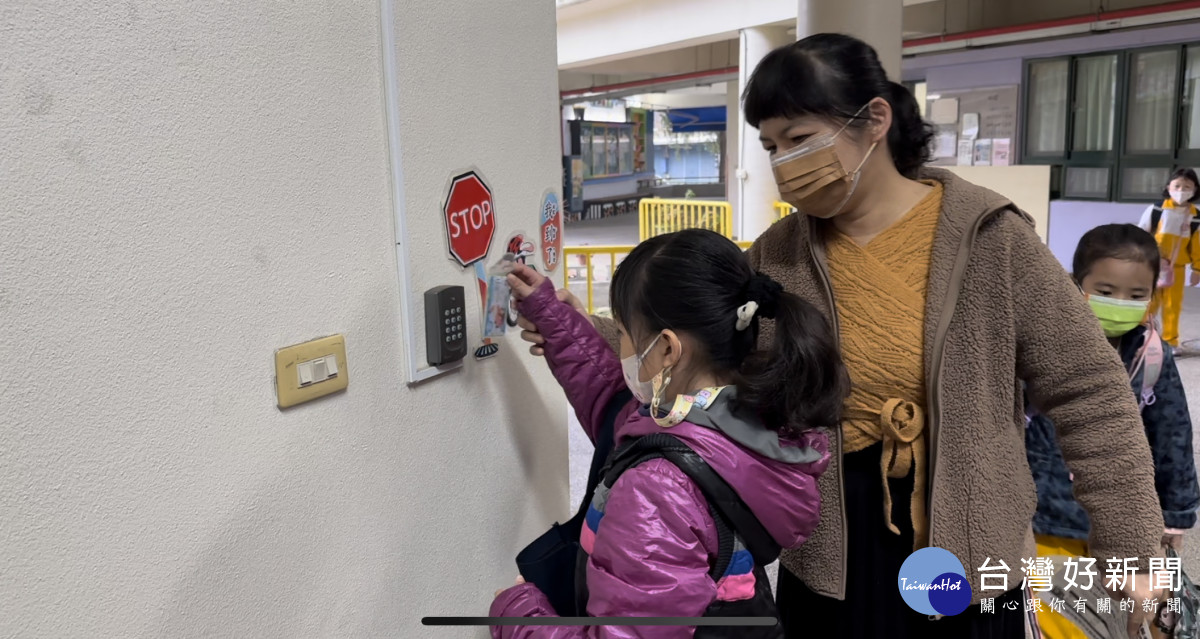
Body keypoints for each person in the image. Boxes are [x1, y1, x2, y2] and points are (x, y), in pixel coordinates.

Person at [518, 34, 1165, 639]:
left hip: (963, 539)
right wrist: (581, 324)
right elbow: (700, 341)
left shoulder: (991, 239)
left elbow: (1091, 395)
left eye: (797, 137)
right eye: (769, 147)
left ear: (875, 120)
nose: (782, 164)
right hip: (832, 549)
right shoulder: (779, 254)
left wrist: (1132, 552)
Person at [491, 229, 846, 638]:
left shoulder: (656, 490)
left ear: (666, 351)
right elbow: (613, 405)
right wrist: (555, 320)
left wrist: (517, 617)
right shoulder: (739, 421)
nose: (620, 346)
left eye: (623, 334)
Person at [1026, 224, 1199, 638]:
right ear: (1075, 284)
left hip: (1121, 518)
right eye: (1105, 289)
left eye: (1136, 295)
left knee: (1126, 613)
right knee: (1059, 615)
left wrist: (1174, 516)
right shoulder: (1041, 345)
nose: (1120, 303)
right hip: (1047, 517)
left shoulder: (1151, 355)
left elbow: (1173, 435)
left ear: (1152, 296)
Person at [1137, 168, 1200, 350]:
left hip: (1177, 269)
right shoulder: (1157, 209)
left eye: (1187, 187)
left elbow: (1197, 246)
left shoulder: (1195, 217)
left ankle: (1170, 342)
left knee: (1173, 306)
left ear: (1195, 190)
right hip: (1153, 265)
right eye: (1177, 185)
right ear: (1168, 187)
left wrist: (1197, 269)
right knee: (1148, 302)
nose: (1181, 190)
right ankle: (1137, 337)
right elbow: (1141, 234)